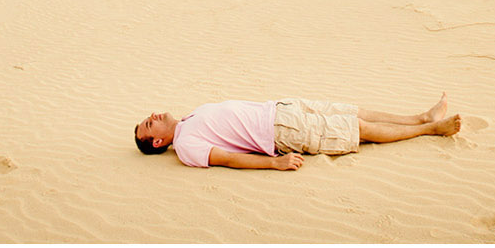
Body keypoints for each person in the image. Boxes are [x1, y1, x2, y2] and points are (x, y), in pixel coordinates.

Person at [134, 94, 460, 170]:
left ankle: (419, 117)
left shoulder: (188, 120)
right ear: (158, 141)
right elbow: (229, 159)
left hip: (282, 109)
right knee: (356, 129)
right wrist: (273, 163)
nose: (153, 116)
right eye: (150, 124)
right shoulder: (187, 146)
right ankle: (432, 129)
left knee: (350, 111)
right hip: (280, 131)